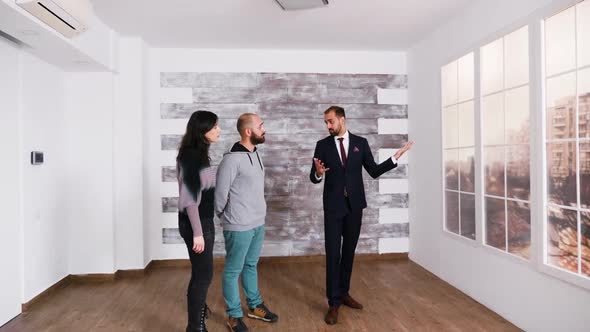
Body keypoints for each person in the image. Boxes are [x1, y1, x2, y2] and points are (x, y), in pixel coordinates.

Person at [309, 106, 414, 325]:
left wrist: (394, 158)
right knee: (333, 254)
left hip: (354, 207)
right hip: (333, 207)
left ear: (342, 120)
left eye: (330, 121)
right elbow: (314, 176)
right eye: (325, 122)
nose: (327, 126)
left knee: (348, 252)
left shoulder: (360, 143)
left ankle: (344, 293)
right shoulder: (322, 146)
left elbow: (373, 171)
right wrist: (318, 173)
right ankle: (333, 302)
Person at [215, 113, 279, 332]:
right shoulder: (231, 160)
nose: (265, 129)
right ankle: (234, 316)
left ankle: (254, 305)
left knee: (251, 265)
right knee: (233, 271)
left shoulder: (256, 154)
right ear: (248, 131)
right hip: (238, 225)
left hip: (257, 223)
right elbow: (220, 196)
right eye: (261, 126)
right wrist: (229, 219)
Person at [177, 110, 222, 332]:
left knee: (200, 273)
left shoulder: (200, 154)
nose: (218, 130)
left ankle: (198, 313)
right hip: (196, 222)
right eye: (214, 127)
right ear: (202, 130)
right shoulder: (191, 157)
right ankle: (195, 327)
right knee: (204, 275)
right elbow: (190, 199)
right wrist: (198, 232)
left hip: (203, 220)